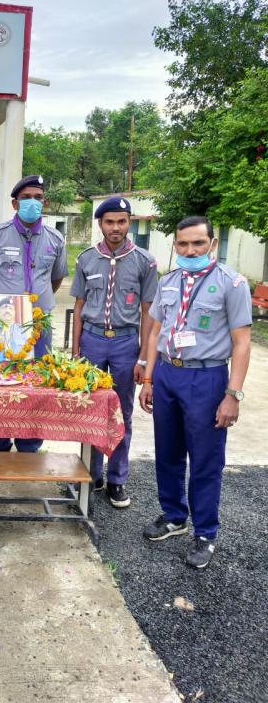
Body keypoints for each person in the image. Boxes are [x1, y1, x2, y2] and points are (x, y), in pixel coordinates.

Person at [139, 215, 252, 569]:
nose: (190, 250)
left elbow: (242, 342)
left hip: (206, 379)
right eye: (183, 244)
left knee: (205, 460)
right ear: (175, 246)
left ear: (212, 244)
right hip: (169, 375)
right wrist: (148, 378)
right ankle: (174, 516)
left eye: (198, 243)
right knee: (168, 451)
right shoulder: (169, 281)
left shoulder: (232, 284)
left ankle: (205, 533)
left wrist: (232, 394)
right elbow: (156, 331)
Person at [70, 196, 158, 508]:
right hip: (92, 341)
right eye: (110, 222)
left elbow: (149, 314)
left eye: (122, 221)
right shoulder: (85, 259)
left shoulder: (145, 262)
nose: (116, 227)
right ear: (100, 224)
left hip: (125, 344)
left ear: (129, 222)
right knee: (89, 409)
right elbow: (78, 308)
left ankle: (117, 480)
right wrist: (75, 350)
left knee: (122, 413)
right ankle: (90, 474)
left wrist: (144, 358)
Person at [0, 174, 68, 452]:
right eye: (26, 198)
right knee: (0, 382)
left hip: (39, 323)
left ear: (45, 202)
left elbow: (56, 278)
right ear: (15, 204)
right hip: (2, 321)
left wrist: (36, 303)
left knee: (35, 382)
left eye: (38, 198)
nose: (32, 203)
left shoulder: (56, 239)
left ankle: (29, 445)